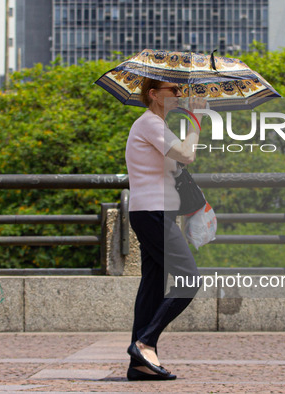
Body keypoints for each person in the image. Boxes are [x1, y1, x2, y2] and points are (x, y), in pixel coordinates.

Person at [124, 77, 204, 381]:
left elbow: (172, 164)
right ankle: (145, 343)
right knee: (189, 279)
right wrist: (195, 120)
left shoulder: (155, 125)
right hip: (153, 213)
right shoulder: (150, 123)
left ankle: (139, 365)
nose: (180, 94)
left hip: (153, 212)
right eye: (174, 90)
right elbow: (186, 154)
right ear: (154, 94)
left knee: (153, 286)